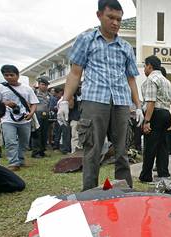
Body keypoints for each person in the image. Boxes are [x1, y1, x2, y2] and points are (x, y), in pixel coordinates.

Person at [58, 0, 144, 190]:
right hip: (94, 100)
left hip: (121, 102)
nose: (115, 23)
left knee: (122, 151)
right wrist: (65, 100)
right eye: (111, 17)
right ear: (99, 15)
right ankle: (89, 193)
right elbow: (75, 72)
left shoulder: (125, 47)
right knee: (92, 149)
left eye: (119, 19)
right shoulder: (86, 39)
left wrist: (138, 106)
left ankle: (124, 191)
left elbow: (131, 78)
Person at [0, 65, 39, 171]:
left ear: (17, 75)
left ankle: (21, 160)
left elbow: (34, 103)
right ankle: (13, 163)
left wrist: (31, 113)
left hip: (25, 119)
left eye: (11, 75)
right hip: (7, 119)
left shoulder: (27, 88)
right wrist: (5, 103)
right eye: (6, 75)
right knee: (10, 141)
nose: (9, 77)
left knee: (24, 142)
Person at [138, 56, 171, 182]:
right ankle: (163, 172)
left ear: (149, 66)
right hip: (166, 113)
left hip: (155, 114)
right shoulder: (166, 80)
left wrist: (147, 121)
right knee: (162, 145)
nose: (144, 69)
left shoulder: (151, 79)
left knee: (150, 145)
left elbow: (151, 102)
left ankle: (146, 175)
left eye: (145, 66)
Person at [31, 77, 51, 158]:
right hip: (36, 115)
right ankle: (35, 152)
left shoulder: (48, 95)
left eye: (46, 85)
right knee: (37, 133)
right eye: (42, 84)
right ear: (38, 85)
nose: (44, 86)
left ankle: (42, 151)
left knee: (44, 134)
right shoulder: (34, 93)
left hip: (45, 115)